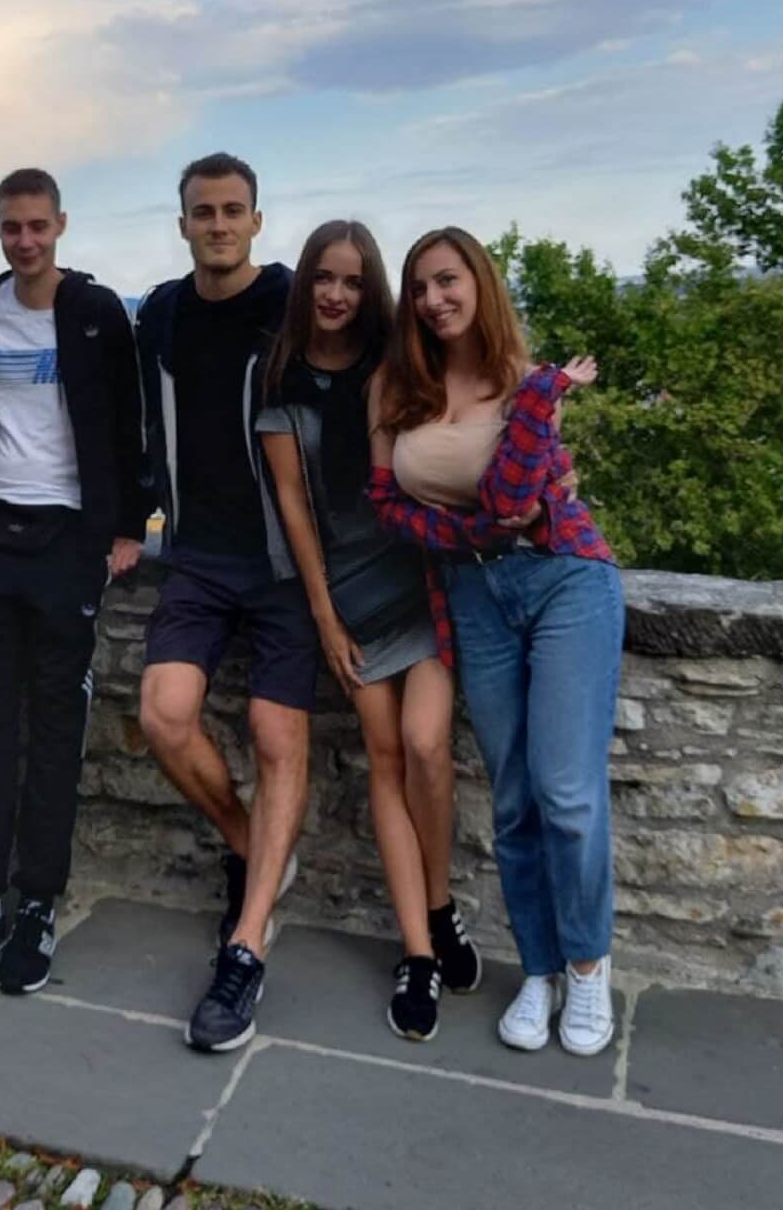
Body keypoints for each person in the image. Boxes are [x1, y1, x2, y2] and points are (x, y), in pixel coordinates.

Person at [367, 226, 621, 1058]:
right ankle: (539, 968)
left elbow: (527, 498)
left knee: (568, 796)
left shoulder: (524, 383)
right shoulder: (399, 388)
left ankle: (588, 966)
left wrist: (509, 499)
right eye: (420, 287)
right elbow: (389, 507)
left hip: (563, 579)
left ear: (479, 283)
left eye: (448, 281)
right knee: (513, 799)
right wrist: (472, 529)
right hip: (472, 593)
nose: (434, 299)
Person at [0, 168, 146, 994]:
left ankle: (39, 904)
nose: (25, 240)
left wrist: (126, 524)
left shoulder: (95, 312)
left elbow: (129, 419)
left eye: (37, 226)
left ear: (61, 226)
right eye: (12, 227)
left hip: (66, 539)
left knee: (54, 732)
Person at [257, 220, 481, 1042]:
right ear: (305, 283)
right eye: (324, 277)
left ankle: (442, 905)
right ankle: (419, 950)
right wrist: (324, 617)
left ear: (371, 288)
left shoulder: (397, 364)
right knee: (386, 760)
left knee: (426, 745)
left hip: (420, 581)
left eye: (353, 281)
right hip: (350, 599)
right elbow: (294, 508)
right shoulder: (281, 381)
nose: (336, 294)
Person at [134, 152, 317, 1053]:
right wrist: (129, 520)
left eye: (232, 210)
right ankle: (253, 847)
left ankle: (245, 947)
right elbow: (136, 424)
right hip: (198, 555)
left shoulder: (291, 303)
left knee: (277, 735)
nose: (217, 224)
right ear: (182, 224)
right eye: (203, 212)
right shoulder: (161, 315)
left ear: (256, 220)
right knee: (164, 713)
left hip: (286, 562)